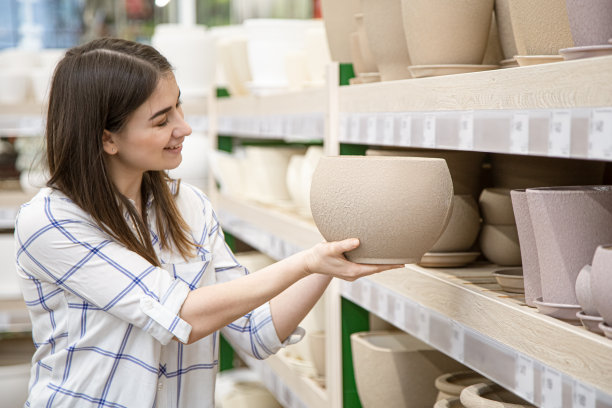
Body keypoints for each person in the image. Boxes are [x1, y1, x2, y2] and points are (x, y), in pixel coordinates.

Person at [14, 37, 401, 407]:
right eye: (162, 120)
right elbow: (179, 315)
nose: (184, 128)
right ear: (107, 139)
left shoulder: (189, 206)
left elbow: (255, 332)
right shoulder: (52, 221)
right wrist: (303, 262)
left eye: (179, 108)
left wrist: (329, 260)